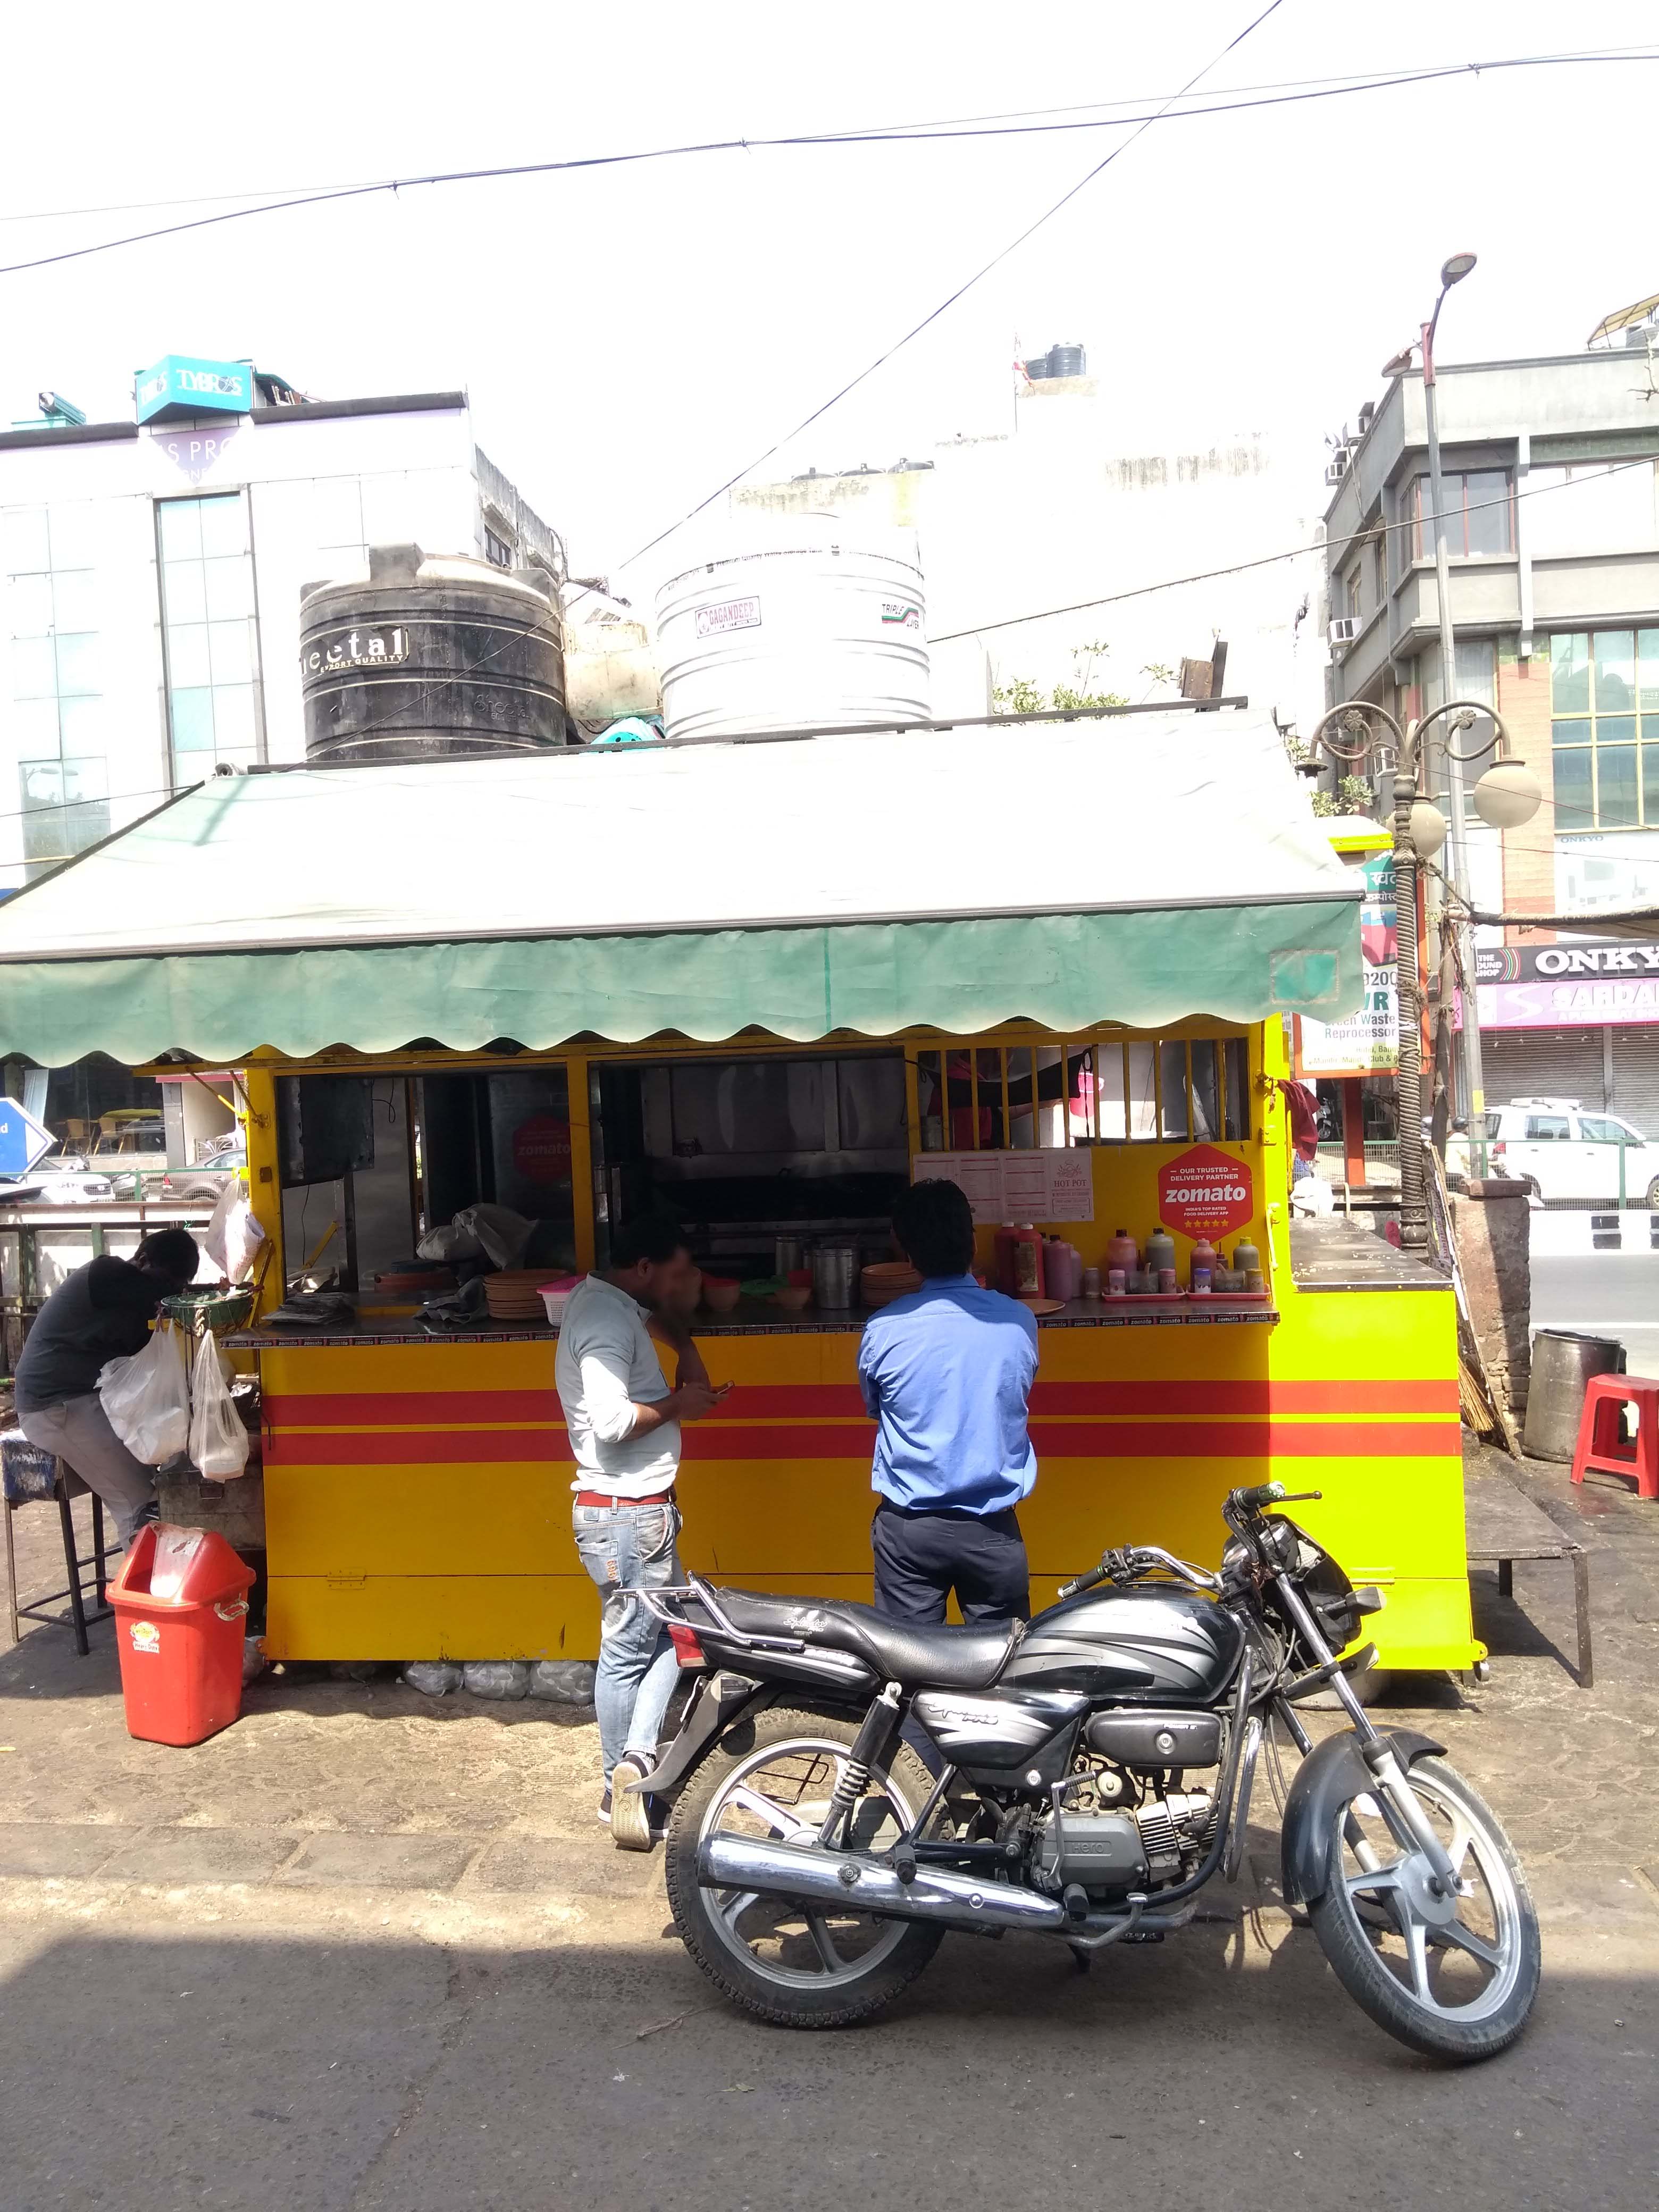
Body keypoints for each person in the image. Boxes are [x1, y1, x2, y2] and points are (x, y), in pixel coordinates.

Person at [554, 1213, 728, 1848]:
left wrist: (683, 1345)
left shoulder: (609, 1302)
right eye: (679, 1272)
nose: (691, 1282)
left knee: (680, 1636)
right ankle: (619, 1784)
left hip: (634, 1514)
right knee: (632, 1651)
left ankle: (634, 1761)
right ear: (646, 1269)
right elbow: (609, 1420)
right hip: (630, 1517)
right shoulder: (604, 1319)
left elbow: (646, 1321)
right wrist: (681, 1404)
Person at [858, 1178, 1038, 1626]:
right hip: (993, 1531)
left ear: (908, 1255)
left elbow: (876, 1409)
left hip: (909, 1533)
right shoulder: (1019, 1320)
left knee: (912, 1666)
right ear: (973, 1243)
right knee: (999, 1671)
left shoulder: (883, 1330)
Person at [13, 1229, 202, 1543]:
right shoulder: (106, 1273)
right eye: (169, 1281)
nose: (173, 1291)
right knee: (141, 1503)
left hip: (81, 1401)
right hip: (56, 1407)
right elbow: (156, 1296)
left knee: (169, 1473)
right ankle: (147, 1588)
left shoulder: (130, 1299)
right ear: (142, 1260)